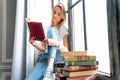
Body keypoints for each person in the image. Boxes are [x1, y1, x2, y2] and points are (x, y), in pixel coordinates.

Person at [25, 3, 69, 80]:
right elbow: (43, 49)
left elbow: (67, 51)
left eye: (58, 14)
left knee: (51, 31)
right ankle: (48, 70)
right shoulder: (46, 28)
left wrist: (56, 43)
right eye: (54, 12)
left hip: (57, 60)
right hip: (44, 59)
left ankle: (49, 68)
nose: (55, 15)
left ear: (62, 17)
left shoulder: (63, 29)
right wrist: (33, 43)